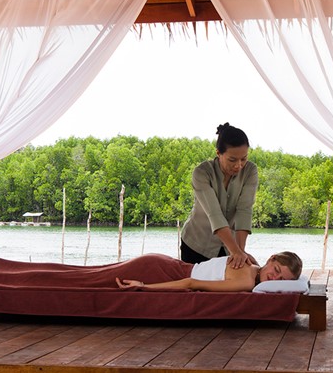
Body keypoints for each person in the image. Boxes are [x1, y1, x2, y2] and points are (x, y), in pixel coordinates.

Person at [180, 122, 258, 269]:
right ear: (218, 153)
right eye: (232, 160)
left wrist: (240, 252)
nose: (239, 165)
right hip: (196, 244)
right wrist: (236, 252)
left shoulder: (250, 171)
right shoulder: (202, 173)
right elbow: (214, 214)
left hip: (228, 248)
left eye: (244, 158)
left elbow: (244, 211)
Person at [116, 251, 302, 293]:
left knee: (102, 274)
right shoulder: (246, 279)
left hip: (166, 264)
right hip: (165, 271)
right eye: (276, 270)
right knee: (102, 276)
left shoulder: (249, 260)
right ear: (271, 259)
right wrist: (144, 286)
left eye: (281, 280)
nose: (274, 278)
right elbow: (190, 283)